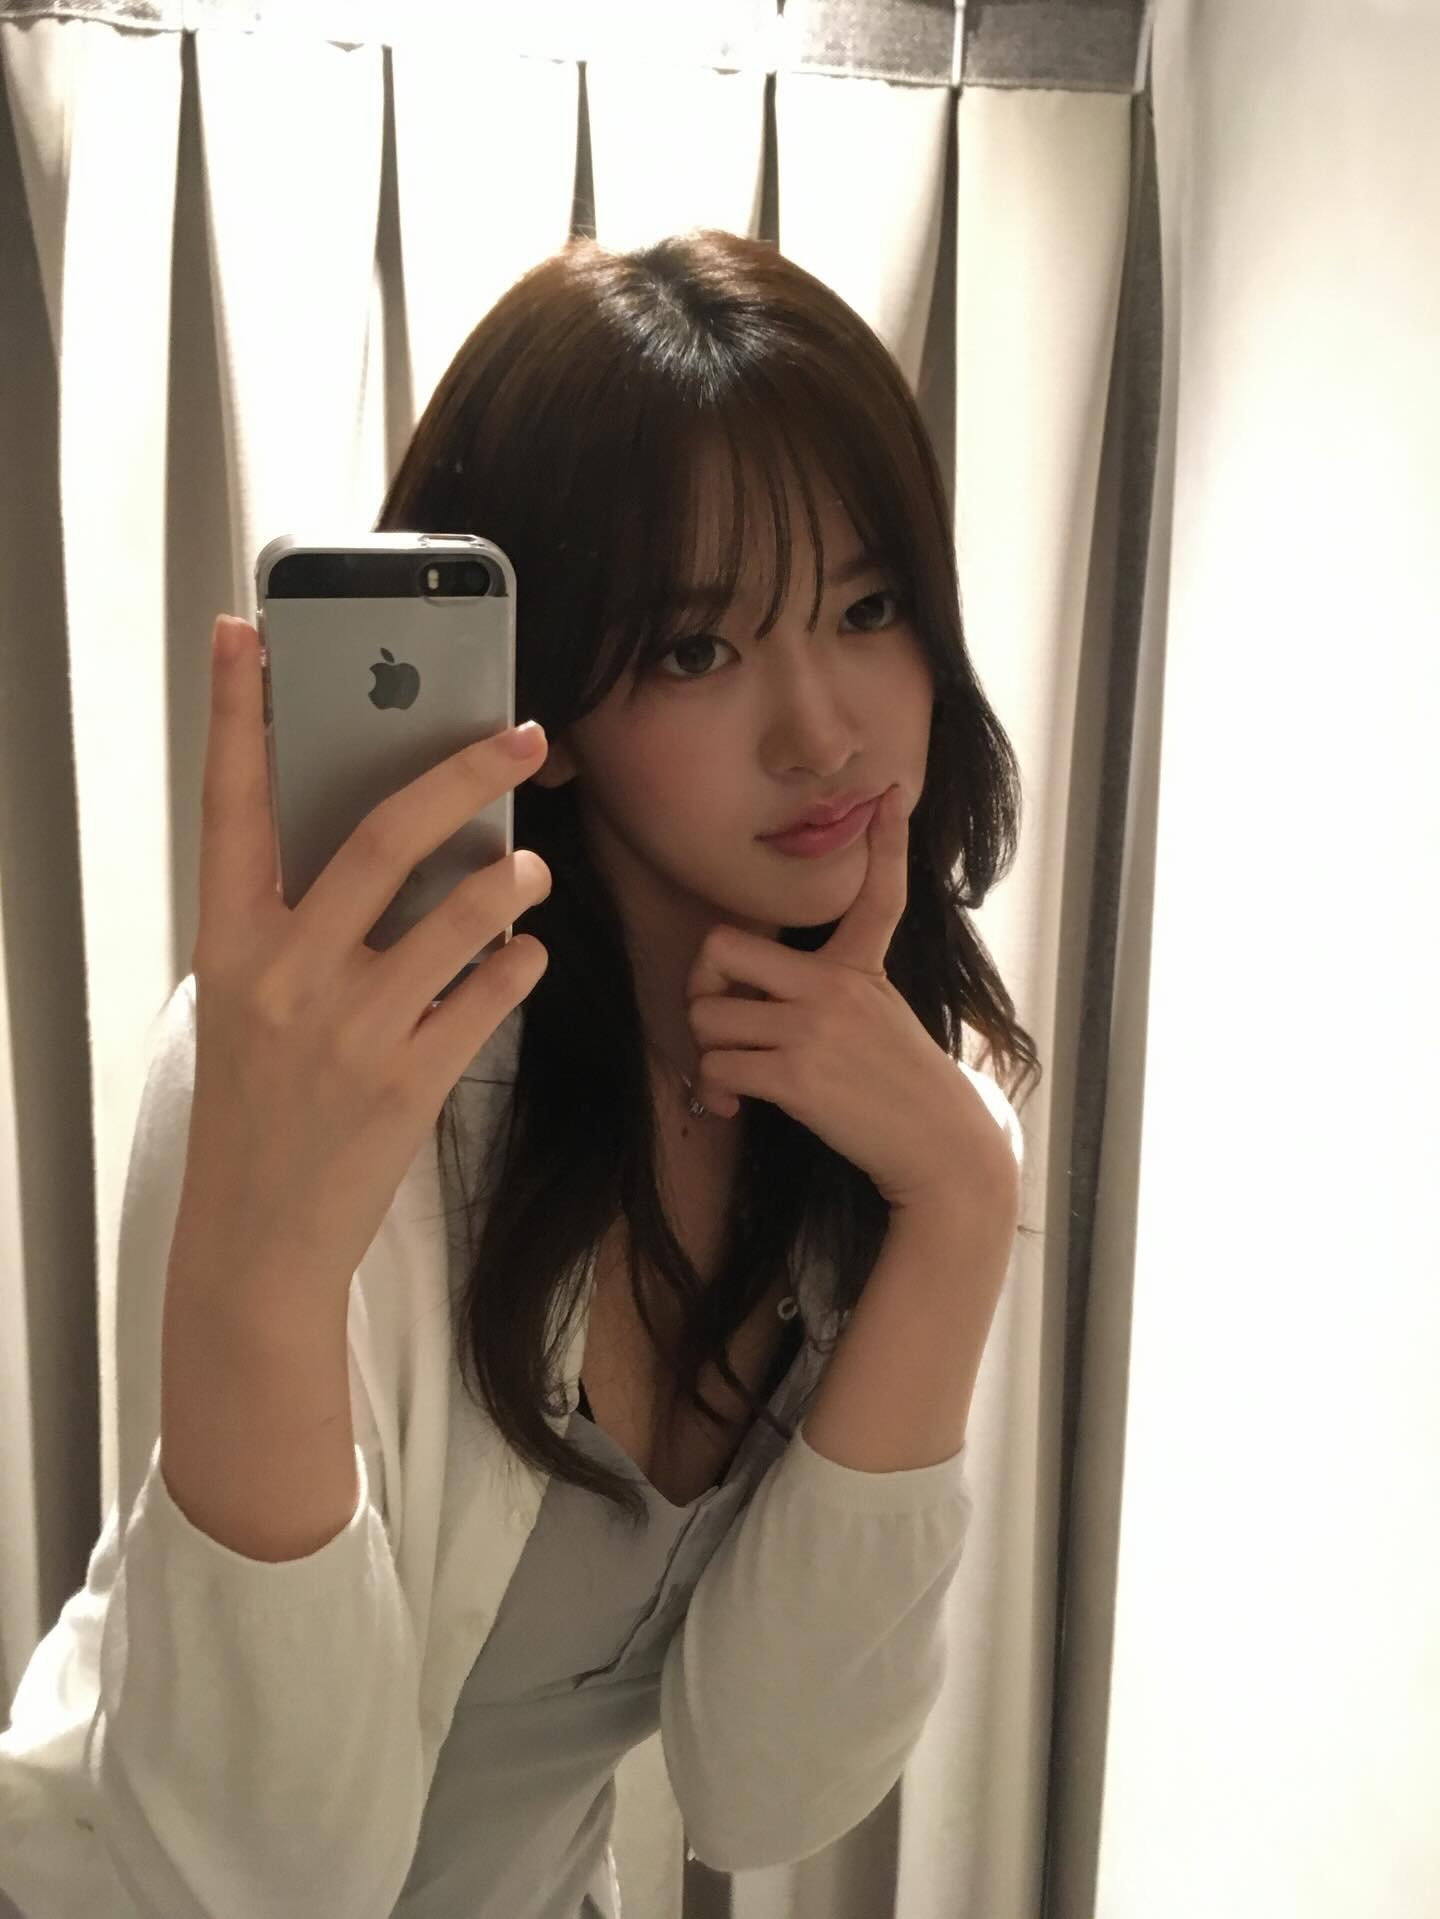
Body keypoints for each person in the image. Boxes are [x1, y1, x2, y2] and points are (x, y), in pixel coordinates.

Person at [0, 230, 1038, 1918]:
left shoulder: (901, 1125)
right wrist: (261, 1277)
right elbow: (254, 1879)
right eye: (697, 649)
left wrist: (964, 1208)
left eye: (868, 608)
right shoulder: (328, 1074)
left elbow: (768, 1790)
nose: (825, 732)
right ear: (543, 696)